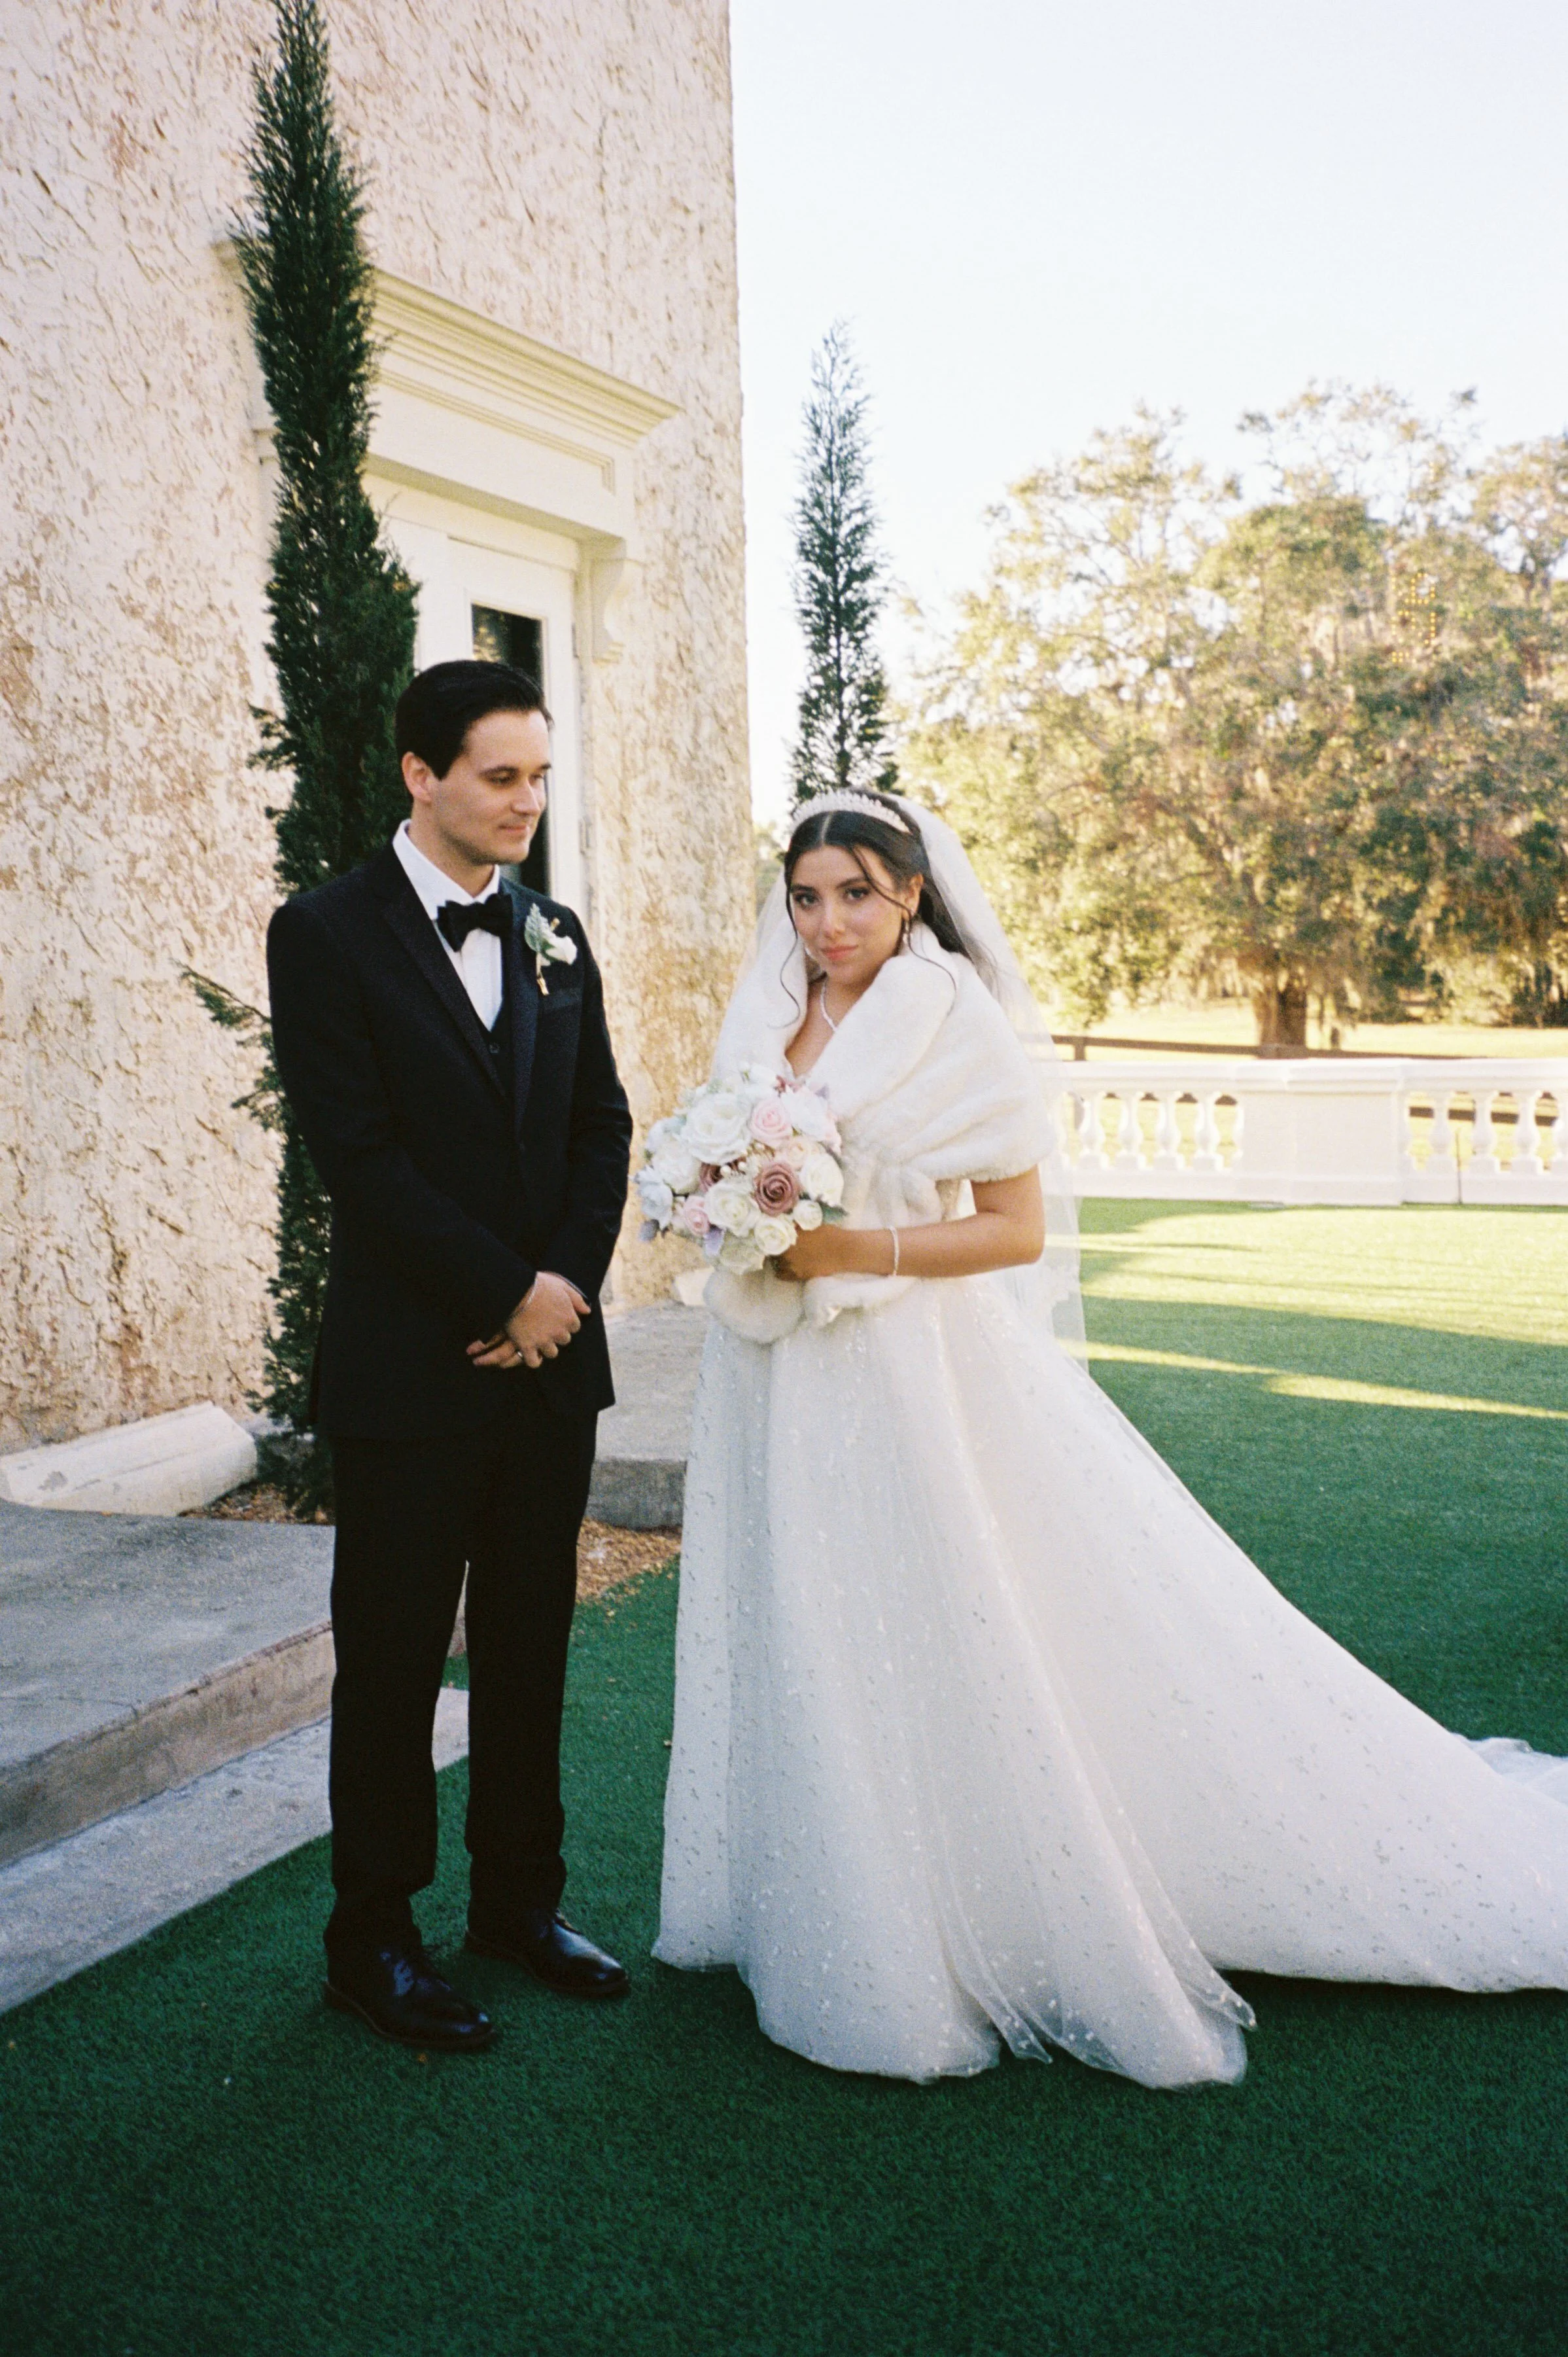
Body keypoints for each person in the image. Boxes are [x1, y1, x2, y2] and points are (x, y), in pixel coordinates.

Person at [655, 785, 1568, 2089]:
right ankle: (838, 1905)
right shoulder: (766, 1018)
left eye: (857, 892)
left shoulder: (948, 1018)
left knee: (940, 1608)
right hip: (774, 1378)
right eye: (806, 896)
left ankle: (964, 1917)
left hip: (908, 1366)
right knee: (810, 1615)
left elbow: (1013, 1228)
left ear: (911, 894)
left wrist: (860, 1245)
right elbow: (729, 1168)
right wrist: (720, 1209)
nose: (828, 921)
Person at [268, 659, 633, 2053]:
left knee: (532, 1642)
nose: (526, 801)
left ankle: (516, 1906)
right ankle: (373, 1937)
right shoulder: (324, 932)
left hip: (549, 1371)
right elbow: (355, 1158)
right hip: (410, 1372)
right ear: (420, 774)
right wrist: (501, 1288)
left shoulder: (555, 933)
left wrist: (562, 1293)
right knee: (395, 1659)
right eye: (500, 776)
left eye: (539, 776)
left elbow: (602, 1127)